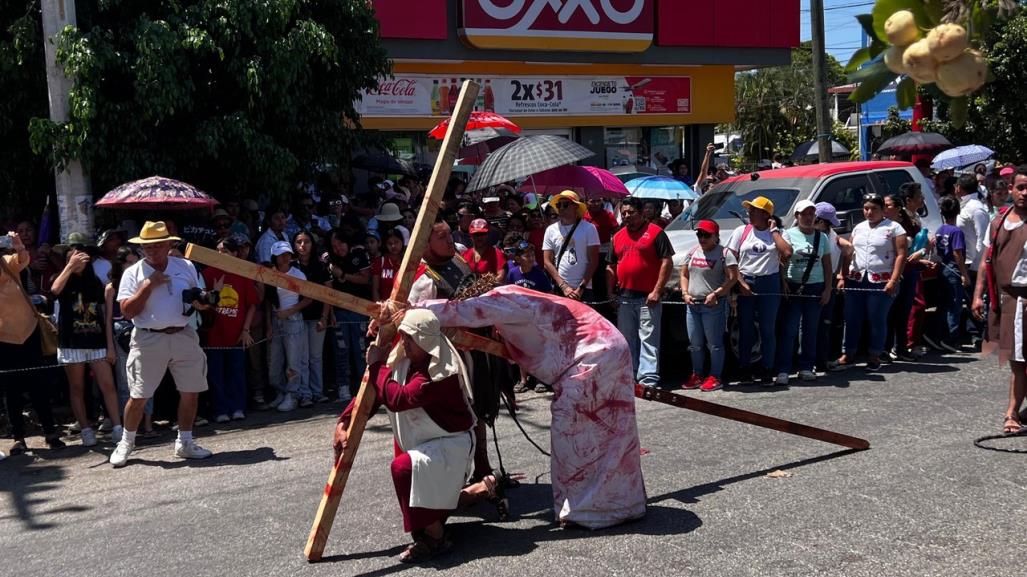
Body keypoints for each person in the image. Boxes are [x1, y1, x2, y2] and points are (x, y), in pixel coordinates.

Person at [402, 284, 648, 529]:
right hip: (609, 347)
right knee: (614, 435)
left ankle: (587, 511)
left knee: (573, 437)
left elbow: (464, 310)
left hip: (591, 358)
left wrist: (409, 311)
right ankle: (624, 504)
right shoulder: (522, 305)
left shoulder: (505, 298)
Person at [333, 310, 503, 563]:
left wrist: (376, 365)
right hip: (422, 444)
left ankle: (437, 539)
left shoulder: (441, 371)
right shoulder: (403, 360)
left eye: (411, 338)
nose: (405, 343)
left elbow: (399, 398)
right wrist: (344, 422)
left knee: (403, 470)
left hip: (451, 446)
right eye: (404, 337)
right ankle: (478, 490)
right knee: (424, 502)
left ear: (426, 340)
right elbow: (374, 393)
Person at [109, 221, 213, 467]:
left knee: (191, 391)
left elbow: (198, 296)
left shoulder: (186, 266)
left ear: (169, 245)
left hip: (183, 332)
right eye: (146, 247)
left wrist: (201, 303)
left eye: (156, 246)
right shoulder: (133, 273)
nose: (151, 251)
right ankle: (126, 442)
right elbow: (126, 311)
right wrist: (148, 285)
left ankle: (185, 442)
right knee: (139, 395)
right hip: (148, 337)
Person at [51, 234, 124, 446]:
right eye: (70, 257)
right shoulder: (63, 280)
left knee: (107, 385)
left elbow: (105, 315)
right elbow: (55, 290)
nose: (75, 260)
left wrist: (110, 346)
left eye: (79, 257)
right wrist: (69, 267)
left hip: (96, 340)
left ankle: (118, 427)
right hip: (71, 342)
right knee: (77, 387)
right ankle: (85, 429)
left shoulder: (95, 283)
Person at [0, 231, 65, 455]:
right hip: (3, 339)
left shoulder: (7, 263)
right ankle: (18, 437)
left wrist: (18, 245)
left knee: (38, 385)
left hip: (28, 332)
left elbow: (23, 260)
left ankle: (50, 432)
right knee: (12, 391)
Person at [973, 166, 1027, 433]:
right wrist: (977, 295)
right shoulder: (998, 222)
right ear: (1011, 189)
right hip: (1009, 301)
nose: (1024, 193)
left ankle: (1015, 410)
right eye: (1020, 187)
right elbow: (986, 261)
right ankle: (1013, 413)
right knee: (1017, 361)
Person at [831, 194, 907, 372]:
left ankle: (874, 355)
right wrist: (843, 275)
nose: (869, 212)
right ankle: (848, 354)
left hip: (881, 280)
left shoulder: (894, 228)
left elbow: (901, 255)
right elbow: (848, 252)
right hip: (856, 279)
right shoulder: (859, 228)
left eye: (874, 209)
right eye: (866, 208)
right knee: (851, 318)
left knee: (877, 319)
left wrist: (894, 280)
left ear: (883, 210)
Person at [607, 197, 674, 387]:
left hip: (648, 297)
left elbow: (667, 262)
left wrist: (657, 291)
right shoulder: (618, 236)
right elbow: (611, 266)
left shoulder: (656, 233)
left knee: (648, 339)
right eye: (624, 213)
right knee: (627, 340)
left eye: (631, 212)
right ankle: (631, 375)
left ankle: (648, 378)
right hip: (625, 297)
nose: (627, 216)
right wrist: (610, 292)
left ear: (642, 211)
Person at [726, 196, 792, 383]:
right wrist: (740, 282)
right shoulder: (742, 231)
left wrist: (774, 232)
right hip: (746, 279)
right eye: (750, 210)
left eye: (754, 210)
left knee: (767, 328)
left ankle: (767, 368)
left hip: (769, 282)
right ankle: (745, 367)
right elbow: (730, 257)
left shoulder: (778, 233)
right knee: (746, 327)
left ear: (766, 214)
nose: (750, 213)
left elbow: (787, 253)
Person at [775, 200, 833, 385]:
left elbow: (827, 264)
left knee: (810, 329)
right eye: (804, 214)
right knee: (789, 329)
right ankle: (783, 369)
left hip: (815, 286)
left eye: (811, 214)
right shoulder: (789, 234)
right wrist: (783, 282)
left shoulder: (821, 237)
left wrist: (828, 289)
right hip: (793, 286)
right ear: (797, 216)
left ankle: (806, 366)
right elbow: (782, 259)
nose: (808, 218)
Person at [202, 237, 259, 422]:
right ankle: (220, 410)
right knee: (216, 374)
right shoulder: (208, 273)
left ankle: (237, 407)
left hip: (237, 333)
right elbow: (201, 303)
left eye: (225, 251)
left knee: (237, 372)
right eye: (217, 250)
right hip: (214, 333)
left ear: (234, 254)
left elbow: (252, 304)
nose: (220, 254)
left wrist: (246, 329)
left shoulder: (242, 273)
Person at [680, 220, 738, 391]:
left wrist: (717, 294)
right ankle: (697, 374)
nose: (702, 238)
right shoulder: (692, 252)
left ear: (716, 236)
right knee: (695, 342)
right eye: (700, 234)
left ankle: (715, 375)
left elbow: (732, 277)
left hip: (713, 305)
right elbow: (684, 274)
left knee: (714, 343)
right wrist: (685, 293)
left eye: (706, 235)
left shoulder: (725, 254)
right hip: (693, 305)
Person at [107, 246, 156, 437]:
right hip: (120, 335)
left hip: (144, 331)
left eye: (135, 261)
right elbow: (109, 319)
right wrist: (110, 347)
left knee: (148, 380)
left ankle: (148, 425)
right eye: (128, 261)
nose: (132, 265)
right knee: (124, 382)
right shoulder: (112, 288)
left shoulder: (146, 283)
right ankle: (129, 428)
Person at [263, 241, 311, 412]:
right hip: (276, 320)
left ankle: (292, 394)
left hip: (293, 320)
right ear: (275, 257)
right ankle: (280, 392)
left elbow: (308, 298)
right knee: (274, 364)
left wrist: (290, 311)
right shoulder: (270, 274)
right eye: (282, 255)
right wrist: (269, 325)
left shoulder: (298, 274)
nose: (286, 257)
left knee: (293, 361)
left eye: (288, 254)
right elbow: (268, 301)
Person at [328, 228, 372, 402]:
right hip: (339, 310)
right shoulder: (331, 260)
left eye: (340, 244)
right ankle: (343, 386)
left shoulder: (359, 254)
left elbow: (365, 278)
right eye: (334, 246)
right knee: (341, 349)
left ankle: (364, 385)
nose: (338, 249)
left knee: (361, 349)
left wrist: (344, 275)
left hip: (359, 308)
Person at [883, 191, 925, 362]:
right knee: (887, 313)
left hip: (907, 272)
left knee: (903, 310)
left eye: (888, 205)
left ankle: (901, 347)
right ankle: (884, 349)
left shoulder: (911, 224)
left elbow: (924, 244)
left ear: (898, 208)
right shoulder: (881, 226)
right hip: (888, 273)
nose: (884, 208)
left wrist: (920, 253)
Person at [812, 203, 853, 372]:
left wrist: (841, 274)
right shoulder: (830, 235)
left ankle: (819, 361)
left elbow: (848, 249)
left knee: (822, 325)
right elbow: (848, 248)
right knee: (816, 325)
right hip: (819, 283)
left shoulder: (829, 236)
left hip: (824, 284)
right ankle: (816, 361)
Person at [293, 231, 331, 406]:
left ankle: (317, 391)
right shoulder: (292, 266)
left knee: (315, 356)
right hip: (297, 316)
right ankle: (304, 393)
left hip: (317, 316)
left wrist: (325, 317)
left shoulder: (321, 266)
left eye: (306, 241)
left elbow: (328, 294)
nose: (303, 245)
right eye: (299, 242)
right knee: (302, 357)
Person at [543, 191, 601, 302]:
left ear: (575, 206)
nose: (561, 208)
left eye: (565, 205)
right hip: (560, 288)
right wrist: (563, 286)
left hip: (584, 289)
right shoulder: (550, 230)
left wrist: (581, 288)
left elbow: (593, 261)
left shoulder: (589, 228)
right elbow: (547, 262)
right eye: (558, 205)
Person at [934, 196, 971, 352]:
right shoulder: (956, 231)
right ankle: (951, 338)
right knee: (955, 304)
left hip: (942, 267)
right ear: (958, 211)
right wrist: (964, 274)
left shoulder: (940, 229)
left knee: (943, 303)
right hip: (953, 268)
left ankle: (938, 334)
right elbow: (957, 253)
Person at [461, 219, 507, 283]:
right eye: (476, 234)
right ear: (470, 235)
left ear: (488, 234)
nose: (479, 237)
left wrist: (483, 287)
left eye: (482, 234)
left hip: (490, 291)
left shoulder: (497, 253)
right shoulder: (464, 255)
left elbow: (501, 277)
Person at [372, 228, 405, 302]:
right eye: (389, 243)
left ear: (402, 242)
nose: (393, 246)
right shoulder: (380, 262)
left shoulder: (409, 262)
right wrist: (379, 309)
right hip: (384, 307)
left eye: (396, 242)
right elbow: (375, 290)